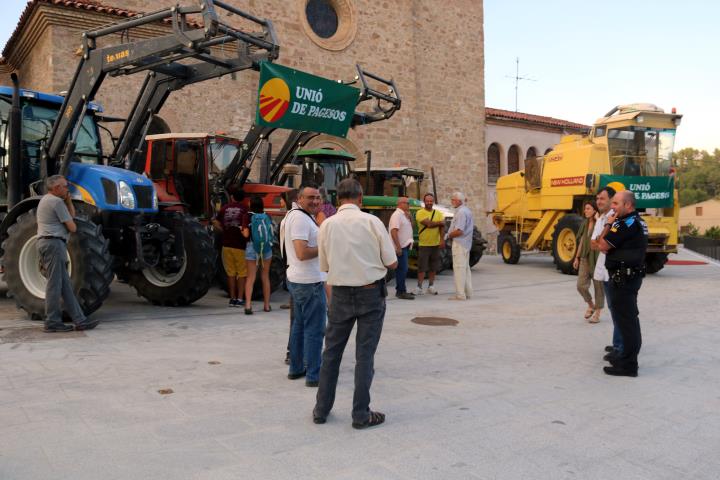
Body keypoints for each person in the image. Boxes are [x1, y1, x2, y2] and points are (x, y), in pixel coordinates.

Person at [313, 179, 397, 429]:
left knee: (331, 354)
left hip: (339, 294)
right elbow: (391, 262)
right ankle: (360, 413)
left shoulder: (326, 225)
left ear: (338, 198)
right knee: (364, 356)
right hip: (370, 293)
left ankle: (321, 409)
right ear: (360, 197)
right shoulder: (372, 222)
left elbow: (325, 266)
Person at [37, 175, 99, 332]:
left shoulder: (48, 199)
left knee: (65, 286)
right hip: (53, 244)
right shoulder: (56, 202)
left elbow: (70, 217)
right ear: (56, 188)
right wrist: (66, 204)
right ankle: (52, 321)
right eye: (65, 186)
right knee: (54, 285)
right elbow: (73, 227)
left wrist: (69, 201)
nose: (68, 189)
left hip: (50, 243)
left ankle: (80, 320)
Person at [597, 190, 648, 377]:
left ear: (628, 205)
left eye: (616, 204)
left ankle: (628, 365)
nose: (612, 207)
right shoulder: (636, 221)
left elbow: (601, 245)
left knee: (626, 322)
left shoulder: (626, 223)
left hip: (624, 280)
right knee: (628, 321)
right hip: (628, 277)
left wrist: (608, 224)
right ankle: (625, 357)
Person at [283, 183, 326, 387]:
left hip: (298, 279)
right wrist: (325, 247)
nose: (315, 201)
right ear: (299, 199)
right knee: (314, 329)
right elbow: (302, 253)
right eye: (310, 197)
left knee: (299, 326)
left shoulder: (295, 215)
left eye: (317, 197)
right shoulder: (300, 219)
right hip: (308, 282)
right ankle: (314, 375)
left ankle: (296, 368)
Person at [590, 186, 621, 360]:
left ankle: (620, 347)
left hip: (615, 271)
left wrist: (600, 241)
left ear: (611, 200)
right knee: (613, 308)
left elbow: (603, 244)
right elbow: (594, 243)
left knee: (619, 310)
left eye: (602, 198)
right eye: (597, 199)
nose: (598, 202)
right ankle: (617, 343)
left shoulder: (616, 219)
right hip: (604, 269)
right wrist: (601, 241)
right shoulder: (601, 218)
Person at [212, 186, 248, 307]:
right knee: (242, 273)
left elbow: (215, 222)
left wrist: (223, 231)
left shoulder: (225, 208)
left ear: (232, 197)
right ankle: (240, 299)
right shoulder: (245, 209)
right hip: (240, 246)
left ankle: (232, 299)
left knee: (231, 273)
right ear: (243, 198)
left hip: (226, 246)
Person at [573, 200, 604, 323]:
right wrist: (577, 257)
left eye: (588, 209)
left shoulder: (601, 223)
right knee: (580, 285)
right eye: (585, 209)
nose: (585, 211)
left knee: (598, 287)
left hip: (597, 258)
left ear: (595, 210)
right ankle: (591, 305)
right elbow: (581, 241)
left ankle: (598, 312)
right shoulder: (584, 224)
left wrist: (599, 220)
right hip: (585, 257)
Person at [243, 195, 274, 314]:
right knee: (265, 277)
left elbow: (246, 235)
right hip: (266, 248)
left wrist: (242, 230)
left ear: (251, 204)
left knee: (250, 278)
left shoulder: (247, 216)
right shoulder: (267, 216)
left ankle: (248, 306)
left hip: (252, 247)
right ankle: (266, 306)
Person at [414, 193, 445, 295]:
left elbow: (442, 227)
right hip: (424, 244)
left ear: (433, 202)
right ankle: (419, 287)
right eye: (427, 201)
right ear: (424, 202)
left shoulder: (439, 213)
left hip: (435, 244)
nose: (429, 203)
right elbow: (429, 224)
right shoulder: (420, 213)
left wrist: (442, 240)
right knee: (422, 267)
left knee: (433, 267)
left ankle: (431, 286)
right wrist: (439, 223)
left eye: (431, 201)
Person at [445, 191, 474, 300]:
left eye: (453, 199)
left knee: (459, 269)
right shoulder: (466, 210)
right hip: (466, 243)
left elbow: (459, 231)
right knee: (465, 268)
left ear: (458, 201)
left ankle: (460, 294)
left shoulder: (461, 212)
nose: (451, 201)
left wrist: (448, 235)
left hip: (460, 243)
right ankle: (468, 292)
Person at [388, 196, 415, 300]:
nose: (409, 205)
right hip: (400, 247)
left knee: (403, 269)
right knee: (402, 269)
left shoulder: (404, 215)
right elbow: (393, 231)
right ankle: (400, 291)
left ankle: (402, 290)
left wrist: (410, 218)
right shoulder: (397, 215)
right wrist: (398, 247)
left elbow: (411, 227)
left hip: (405, 246)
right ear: (400, 204)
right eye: (407, 203)